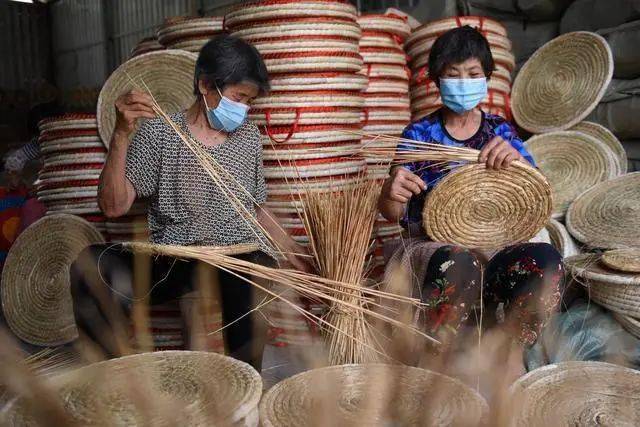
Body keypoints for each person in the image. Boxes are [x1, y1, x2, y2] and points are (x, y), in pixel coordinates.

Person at [70, 35, 307, 368]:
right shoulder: (159, 133)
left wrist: (292, 251)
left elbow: (256, 206)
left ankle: (245, 380)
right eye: (239, 97)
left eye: (249, 101)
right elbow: (114, 207)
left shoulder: (249, 138)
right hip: (174, 258)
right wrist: (121, 135)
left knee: (256, 266)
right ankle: (110, 375)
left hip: (233, 256)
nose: (244, 109)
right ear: (206, 85)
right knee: (92, 262)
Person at [378, 26, 563, 350]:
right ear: (436, 80)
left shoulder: (500, 132)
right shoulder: (419, 134)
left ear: (487, 77)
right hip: (434, 243)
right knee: (458, 263)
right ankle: (439, 360)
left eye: (472, 73)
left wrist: (519, 166)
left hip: (497, 241)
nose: (463, 82)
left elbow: (537, 195)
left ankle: (506, 354)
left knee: (545, 259)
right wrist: (389, 191)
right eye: (453, 74)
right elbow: (393, 212)